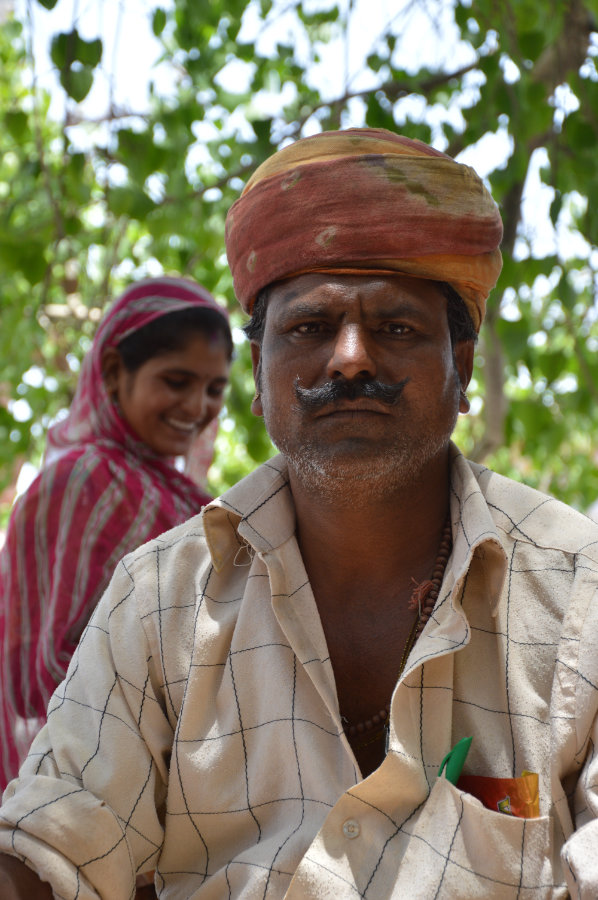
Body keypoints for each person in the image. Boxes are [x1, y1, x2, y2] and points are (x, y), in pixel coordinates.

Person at [1, 128, 598, 899]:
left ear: (462, 369)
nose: (350, 357)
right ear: (258, 374)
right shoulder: (160, 598)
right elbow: (56, 839)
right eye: (310, 328)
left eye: (396, 328)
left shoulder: (578, 587)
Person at [0, 276, 232, 789]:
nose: (197, 408)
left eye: (214, 388)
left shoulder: (184, 499)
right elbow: (49, 663)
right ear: (112, 373)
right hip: (88, 787)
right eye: (176, 381)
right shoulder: (82, 481)